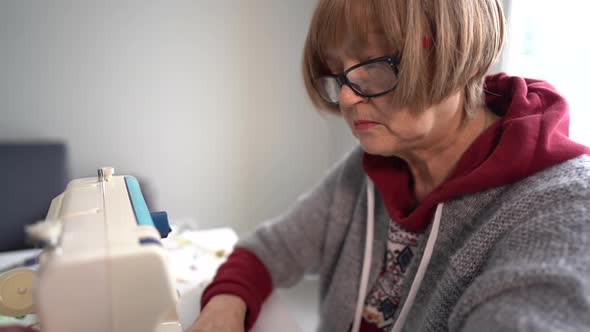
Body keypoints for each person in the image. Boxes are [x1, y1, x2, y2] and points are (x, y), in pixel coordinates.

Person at [188, 0, 590, 331]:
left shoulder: (566, 210)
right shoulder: (368, 170)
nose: (346, 98)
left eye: (374, 63)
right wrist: (225, 303)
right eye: (337, 70)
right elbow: (269, 250)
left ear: (459, 51)